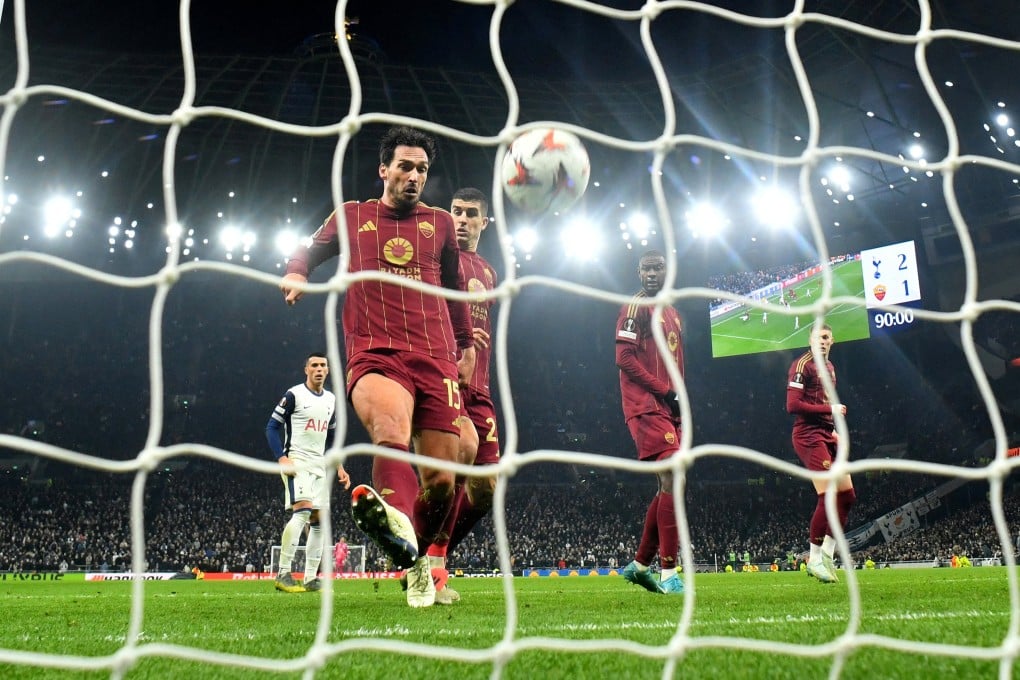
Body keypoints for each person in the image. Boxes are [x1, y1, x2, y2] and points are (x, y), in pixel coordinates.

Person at [280, 126, 475, 608]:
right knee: (390, 425)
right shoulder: (352, 216)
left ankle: (417, 564)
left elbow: (453, 288)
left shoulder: (440, 225)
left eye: (422, 169)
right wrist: (296, 270)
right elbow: (308, 248)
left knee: (442, 481)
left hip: (437, 358)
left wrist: (467, 345)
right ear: (383, 169)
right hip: (376, 352)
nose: (414, 176)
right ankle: (396, 527)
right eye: (405, 166)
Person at [412, 187, 500, 605]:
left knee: (486, 490)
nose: (462, 220)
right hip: (444, 380)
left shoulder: (488, 271)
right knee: (459, 453)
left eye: (471, 215)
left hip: (479, 386)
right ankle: (431, 567)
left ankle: (426, 550)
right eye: (456, 211)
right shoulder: (433, 256)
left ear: (485, 222)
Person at [616, 250, 686, 596]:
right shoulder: (635, 306)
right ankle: (669, 572)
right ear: (638, 272)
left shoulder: (673, 313)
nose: (652, 275)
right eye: (647, 269)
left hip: (668, 408)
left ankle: (640, 565)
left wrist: (680, 401)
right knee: (673, 475)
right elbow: (623, 358)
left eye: (658, 268)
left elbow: (675, 366)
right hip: (644, 404)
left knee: (668, 483)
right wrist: (664, 391)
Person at [266, 352, 351, 593]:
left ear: (328, 370)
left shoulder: (332, 399)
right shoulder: (294, 395)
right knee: (302, 512)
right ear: (306, 370)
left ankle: (311, 578)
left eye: (323, 365)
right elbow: (271, 426)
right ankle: (283, 573)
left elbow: (332, 436)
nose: (319, 369)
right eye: (314, 365)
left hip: (320, 464)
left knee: (319, 521)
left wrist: (339, 465)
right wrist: (281, 458)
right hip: (297, 460)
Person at [786, 323, 856, 584]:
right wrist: (832, 411)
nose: (822, 341)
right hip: (808, 435)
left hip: (827, 434)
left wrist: (834, 428)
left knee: (847, 496)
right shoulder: (802, 365)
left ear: (832, 340)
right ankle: (813, 557)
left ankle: (827, 553)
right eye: (817, 338)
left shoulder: (830, 368)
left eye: (826, 337)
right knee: (827, 496)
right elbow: (792, 405)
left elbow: (824, 402)